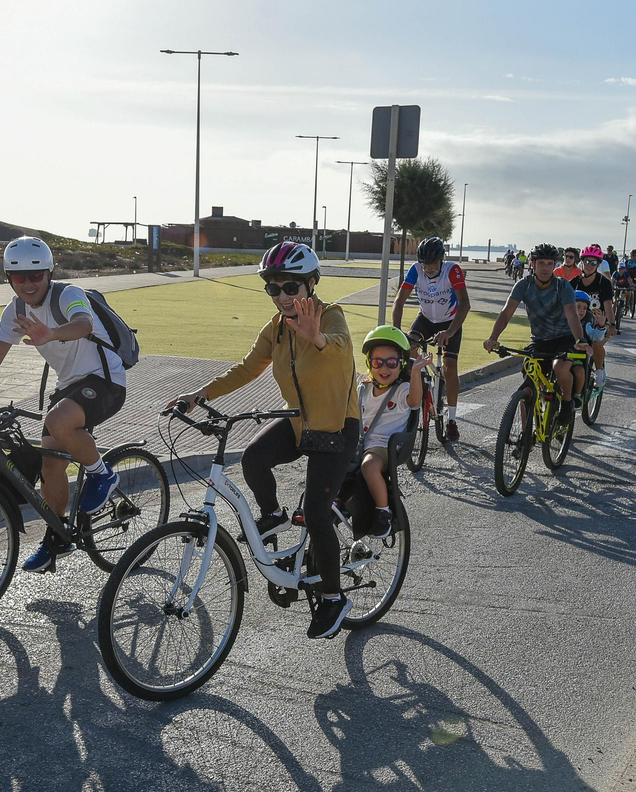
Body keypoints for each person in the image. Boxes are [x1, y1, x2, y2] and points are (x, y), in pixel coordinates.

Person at [169, 242, 360, 639]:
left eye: (291, 287)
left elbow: (341, 350)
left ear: (311, 283)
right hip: (299, 423)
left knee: (317, 513)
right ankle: (273, 514)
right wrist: (199, 395)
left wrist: (317, 338)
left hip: (336, 428)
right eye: (273, 288)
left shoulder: (330, 316)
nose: (282, 297)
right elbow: (246, 368)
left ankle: (333, 596)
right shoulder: (276, 328)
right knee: (254, 457)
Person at [0, 236, 126, 573]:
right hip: (69, 386)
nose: (27, 284)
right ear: (9, 278)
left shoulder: (68, 294)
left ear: (48, 273)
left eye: (36, 275)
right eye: (18, 277)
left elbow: (83, 323)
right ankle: (57, 537)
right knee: (50, 466)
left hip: (106, 380)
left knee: (58, 421)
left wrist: (51, 334)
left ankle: (103, 475)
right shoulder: (16, 310)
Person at [484, 243, 590, 405]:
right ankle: (528, 419)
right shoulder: (523, 285)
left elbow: (572, 315)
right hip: (539, 341)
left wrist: (579, 339)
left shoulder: (562, 286)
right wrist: (493, 338)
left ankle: (567, 404)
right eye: (541, 263)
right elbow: (506, 314)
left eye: (549, 264)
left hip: (565, 339)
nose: (545, 268)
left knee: (560, 368)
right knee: (528, 381)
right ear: (532, 264)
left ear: (554, 266)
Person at [392, 236, 470, 441]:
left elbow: (465, 304)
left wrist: (450, 332)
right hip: (425, 320)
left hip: (450, 321)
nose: (427, 268)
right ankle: (414, 394)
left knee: (450, 366)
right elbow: (399, 302)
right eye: (424, 263)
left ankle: (451, 420)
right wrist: (397, 331)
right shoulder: (416, 270)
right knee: (408, 351)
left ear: (441, 260)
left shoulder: (452, 270)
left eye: (432, 263)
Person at [358, 326, 428, 537]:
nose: (384, 368)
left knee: (369, 466)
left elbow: (414, 402)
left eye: (391, 363)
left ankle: (383, 512)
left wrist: (415, 373)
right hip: (360, 442)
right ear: (369, 364)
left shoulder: (401, 390)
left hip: (385, 445)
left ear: (401, 365)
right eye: (377, 363)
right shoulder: (363, 388)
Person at [568, 246, 615, 389]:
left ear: (598, 265)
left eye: (593, 263)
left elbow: (608, 305)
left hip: (599, 322)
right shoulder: (574, 282)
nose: (589, 265)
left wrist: (612, 324)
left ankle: (599, 371)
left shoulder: (604, 283)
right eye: (586, 262)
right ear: (581, 262)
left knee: (596, 343)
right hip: (577, 321)